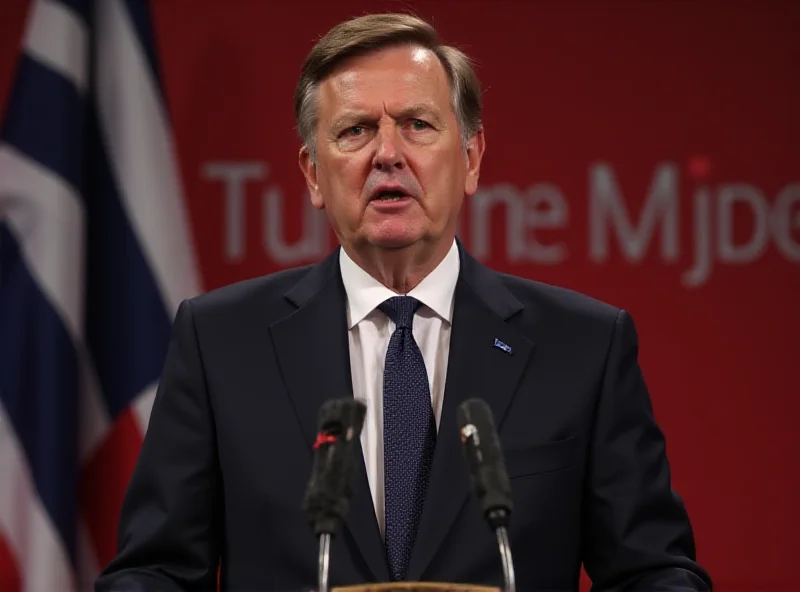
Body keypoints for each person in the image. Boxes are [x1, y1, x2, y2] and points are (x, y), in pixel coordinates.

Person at [96, 12, 712, 592]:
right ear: (312, 174)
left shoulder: (583, 347)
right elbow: (156, 571)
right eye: (355, 130)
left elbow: (652, 571)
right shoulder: (220, 342)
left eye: (417, 124)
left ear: (469, 159)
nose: (387, 153)